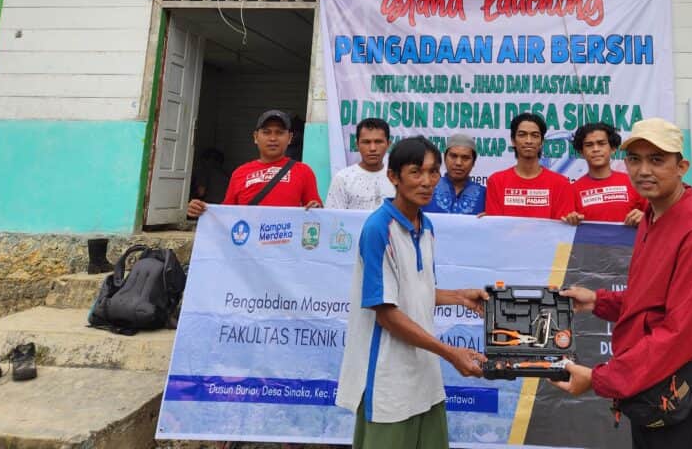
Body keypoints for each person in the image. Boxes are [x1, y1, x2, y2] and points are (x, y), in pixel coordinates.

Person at [556, 117, 692, 449]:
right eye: (635, 159)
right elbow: (653, 299)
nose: (643, 170)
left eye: (657, 160)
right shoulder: (654, 215)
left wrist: (602, 379)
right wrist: (600, 301)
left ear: (681, 166)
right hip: (657, 384)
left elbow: (682, 330)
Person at [335, 136, 488, 449]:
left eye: (433, 172)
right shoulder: (379, 228)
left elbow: (417, 292)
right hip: (387, 377)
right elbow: (387, 314)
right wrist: (451, 353)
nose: (427, 181)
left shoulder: (426, 225)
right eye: (416, 172)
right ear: (393, 177)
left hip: (423, 374)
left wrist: (460, 297)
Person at [186, 110, 321, 217]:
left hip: (286, 249)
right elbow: (226, 214)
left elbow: (316, 210)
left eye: (279, 133)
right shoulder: (240, 173)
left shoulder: (304, 171)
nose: (273, 138)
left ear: (290, 138)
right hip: (249, 249)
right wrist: (201, 210)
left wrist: (316, 209)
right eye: (266, 132)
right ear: (256, 137)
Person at [484, 112, 573, 219]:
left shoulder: (561, 184)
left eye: (535, 136)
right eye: (522, 135)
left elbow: (561, 231)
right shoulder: (496, 181)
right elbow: (495, 227)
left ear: (542, 142)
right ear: (513, 141)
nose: (528, 141)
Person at [562, 122, 646, 227]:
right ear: (581, 152)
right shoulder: (572, 190)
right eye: (589, 145)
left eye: (601, 143)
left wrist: (644, 217)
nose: (596, 149)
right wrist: (570, 220)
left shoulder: (633, 183)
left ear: (613, 148)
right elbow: (564, 231)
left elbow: (655, 217)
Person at [325, 117, 395, 210]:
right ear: (357, 145)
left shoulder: (396, 179)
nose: (372, 148)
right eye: (366, 142)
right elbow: (333, 219)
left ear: (388, 144)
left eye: (378, 142)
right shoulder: (343, 179)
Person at [424, 133, 486, 215]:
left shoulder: (484, 194)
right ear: (445, 158)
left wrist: (489, 219)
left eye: (465, 158)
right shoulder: (427, 188)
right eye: (453, 156)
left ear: (473, 162)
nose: (458, 163)